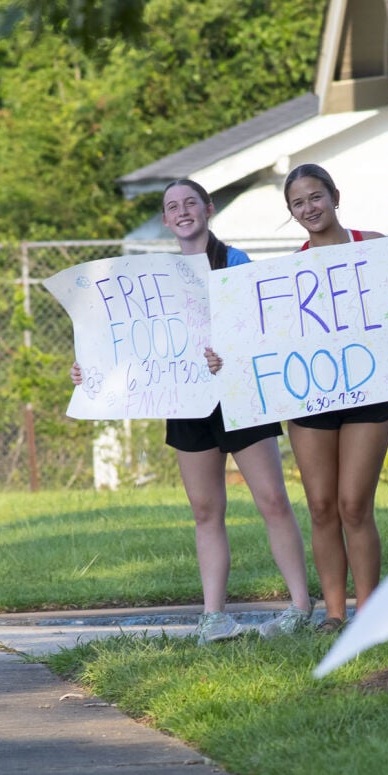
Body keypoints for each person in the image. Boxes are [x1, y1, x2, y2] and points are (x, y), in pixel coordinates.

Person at [70, 178, 314, 643]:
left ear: (208, 208)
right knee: (205, 509)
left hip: (239, 395)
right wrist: (90, 370)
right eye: (172, 207)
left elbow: (259, 327)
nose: (182, 212)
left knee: (272, 500)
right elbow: (122, 344)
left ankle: (301, 607)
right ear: (165, 220)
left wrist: (230, 352)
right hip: (186, 399)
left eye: (190, 203)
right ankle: (213, 617)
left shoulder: (235, 262)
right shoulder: (151, 280)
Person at [279, 163, 388, 633]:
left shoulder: (376, 248)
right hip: (310, 396)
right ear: (292, 212)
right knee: (321, 506)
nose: (309, 208)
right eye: (298, 203)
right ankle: (334, 614)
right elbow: (268, 339)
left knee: (353, 505)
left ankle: (368, 615)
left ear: (335, 196)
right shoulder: (288, 272)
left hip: (369, 390)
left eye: (315, 196)